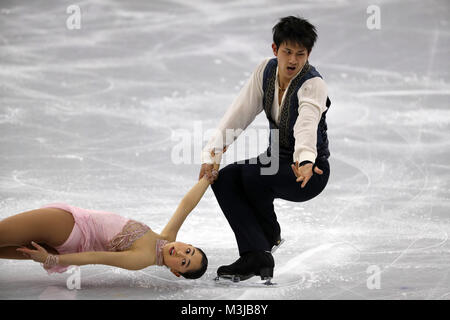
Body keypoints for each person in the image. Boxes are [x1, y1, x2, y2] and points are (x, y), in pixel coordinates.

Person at [199, 16, 331, 282]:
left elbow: (306, 123)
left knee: (252, 175)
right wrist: (212, 154)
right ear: (275, 50)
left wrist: (306, 160)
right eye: (287, 52)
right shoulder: (266, 71)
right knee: (225, 179)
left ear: (309, 54)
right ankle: (255, 254)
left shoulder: (312, 84)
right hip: (273, 161)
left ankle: (268, 236)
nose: (293, 60)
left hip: (309, 171)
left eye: (300, 54)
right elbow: (239, 113)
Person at [0, 163, 219, 280]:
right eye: (188, 251)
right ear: (187, 244)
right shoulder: (166, 239)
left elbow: (98, 257)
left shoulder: (143, 258)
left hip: (71, 227)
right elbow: (185, 206)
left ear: (175, 272)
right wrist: (207, 180)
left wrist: (51, 260)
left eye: (183, 263)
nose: (180, 254)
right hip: (70, 238)